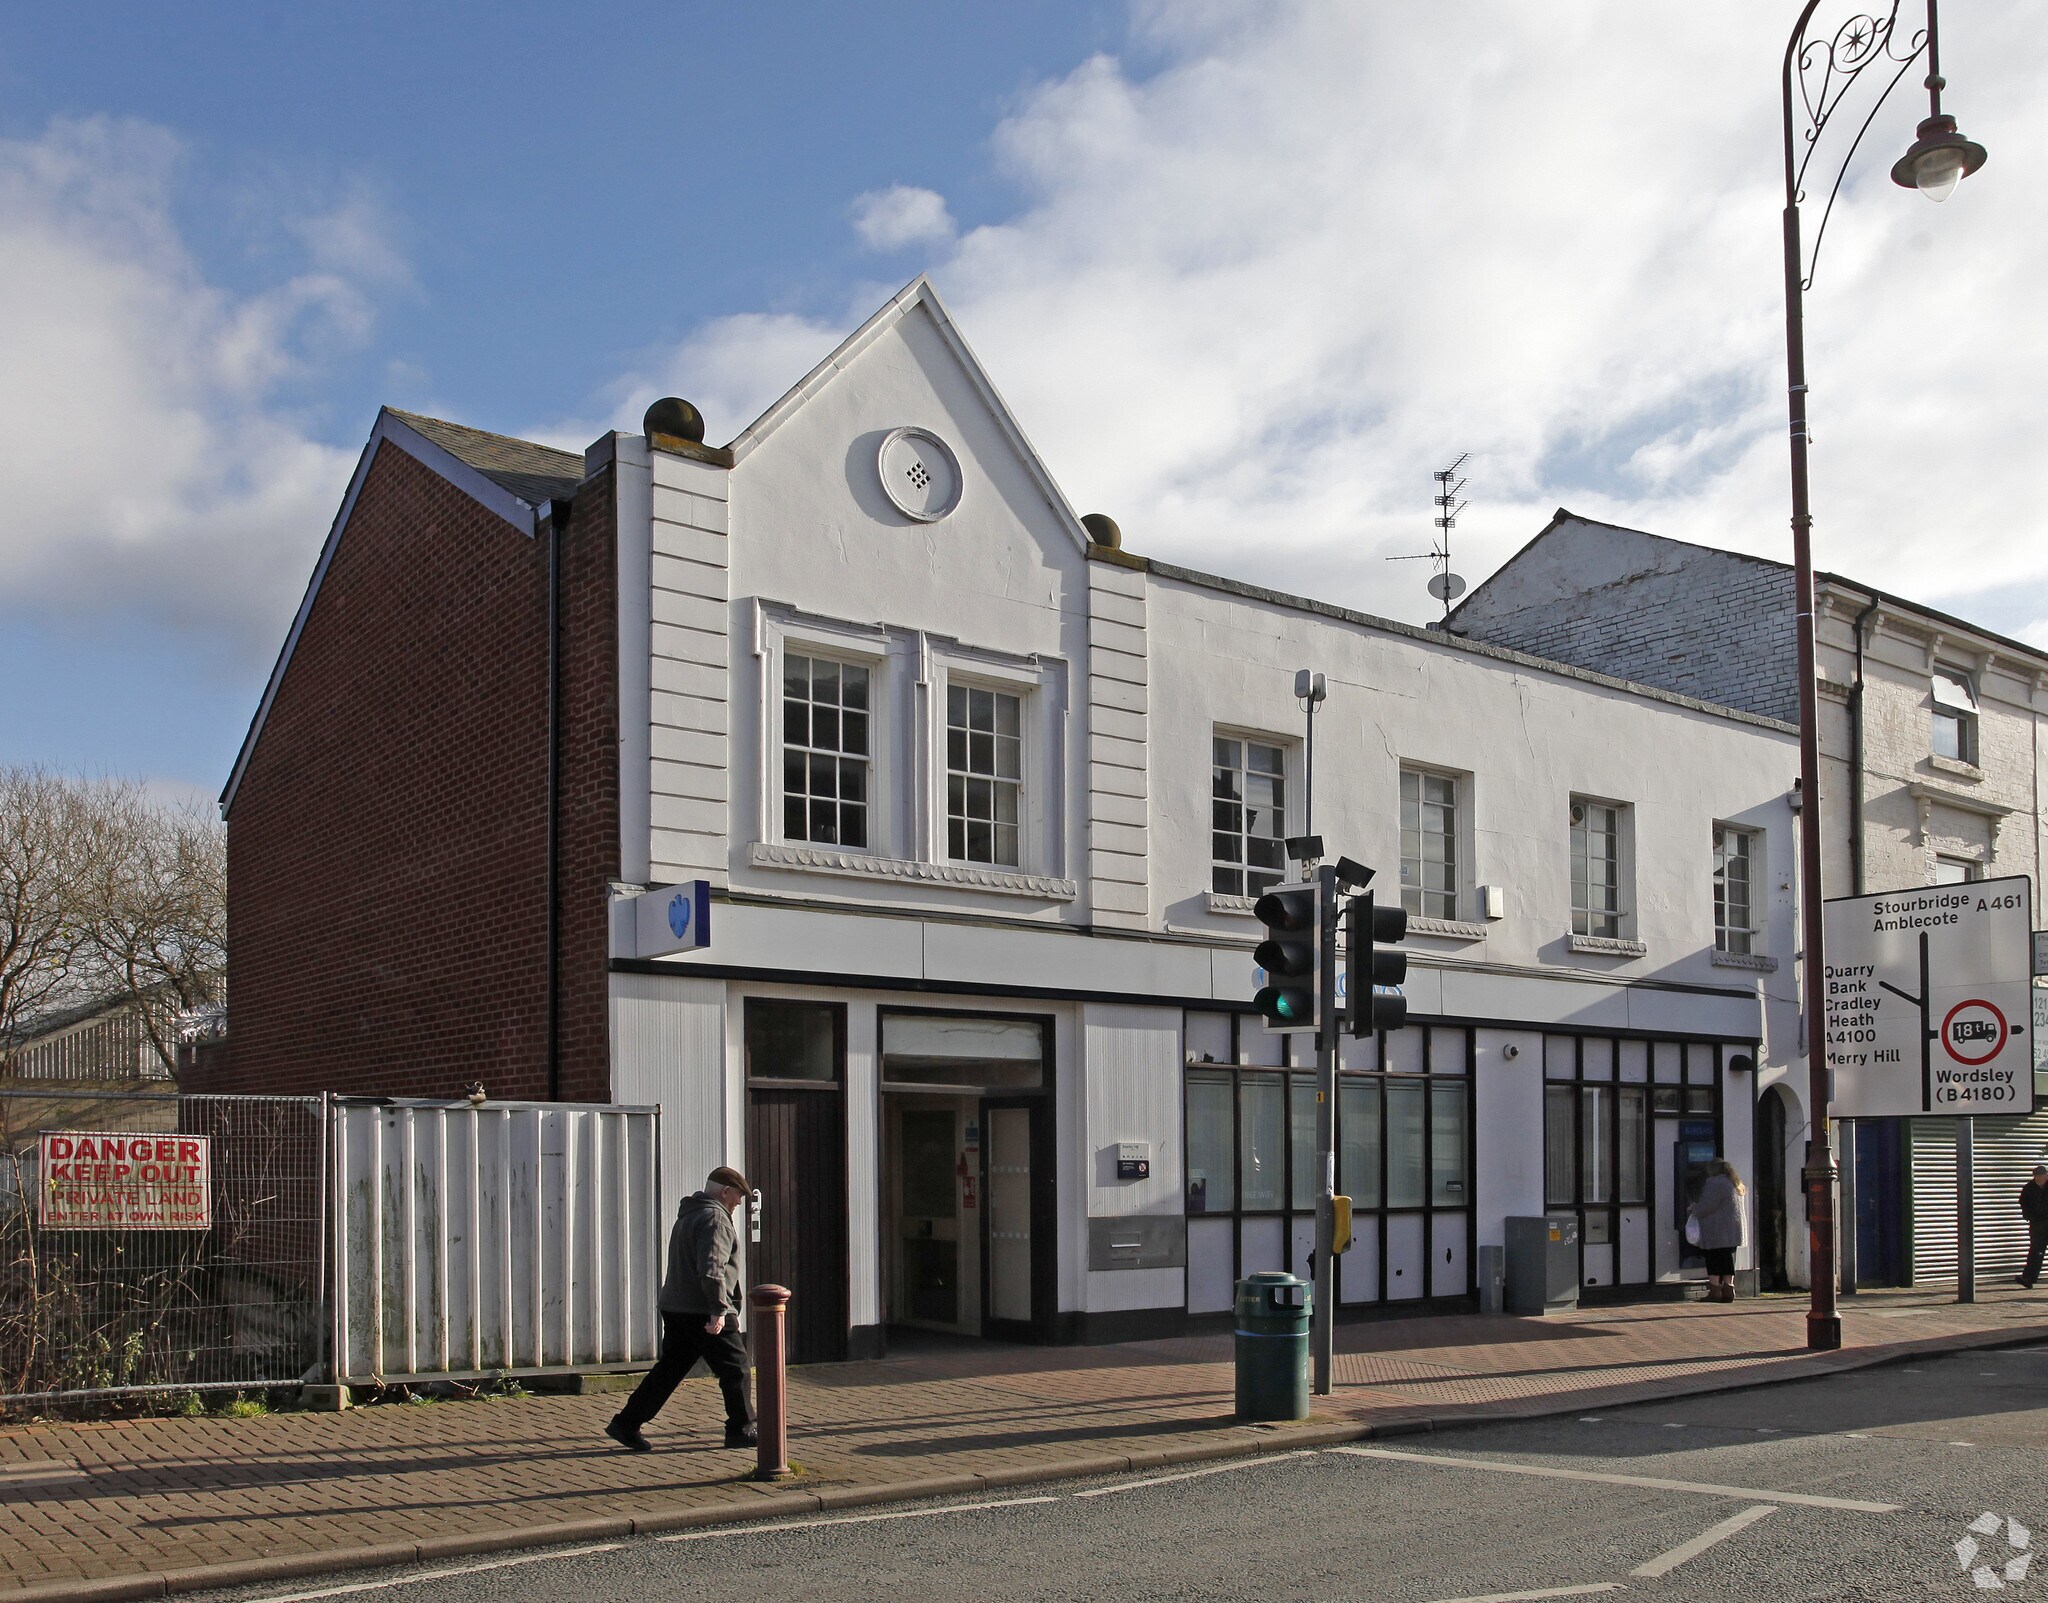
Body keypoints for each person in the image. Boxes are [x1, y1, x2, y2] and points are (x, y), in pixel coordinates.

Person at [606, 1166, 757, 1451]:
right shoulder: (715, 1219)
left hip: (676, 1306)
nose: (739, 1203)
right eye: (738, 1196)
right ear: (726, 1192)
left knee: (670, 1370)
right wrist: (718, 1310)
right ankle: (741, 1429)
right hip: (703, 1309)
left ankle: (626, 1423)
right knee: (736, 1369)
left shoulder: (690, 1213)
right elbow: (712, 1269)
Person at [1688, 1159, 1746, 1304]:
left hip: (1717, 1229)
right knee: (1727, 1259)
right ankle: (1728, 1289)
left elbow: (1706, 1206)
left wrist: (1694, 1209)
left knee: (1713, 1258)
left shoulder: (1716, 1184)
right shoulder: (1734, 1182)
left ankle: (1715, 1290)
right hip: (1732, 1230)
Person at [2016, 1166, 2048, 1289]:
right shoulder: (2029, 1188)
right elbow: (2023, 1202)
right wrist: (2028, 1215)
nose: (2041, 1178)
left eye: (2043, 1176)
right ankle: (2028, 1278)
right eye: (2038, 1176)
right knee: (2036, 1251)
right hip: (2038, 1224)